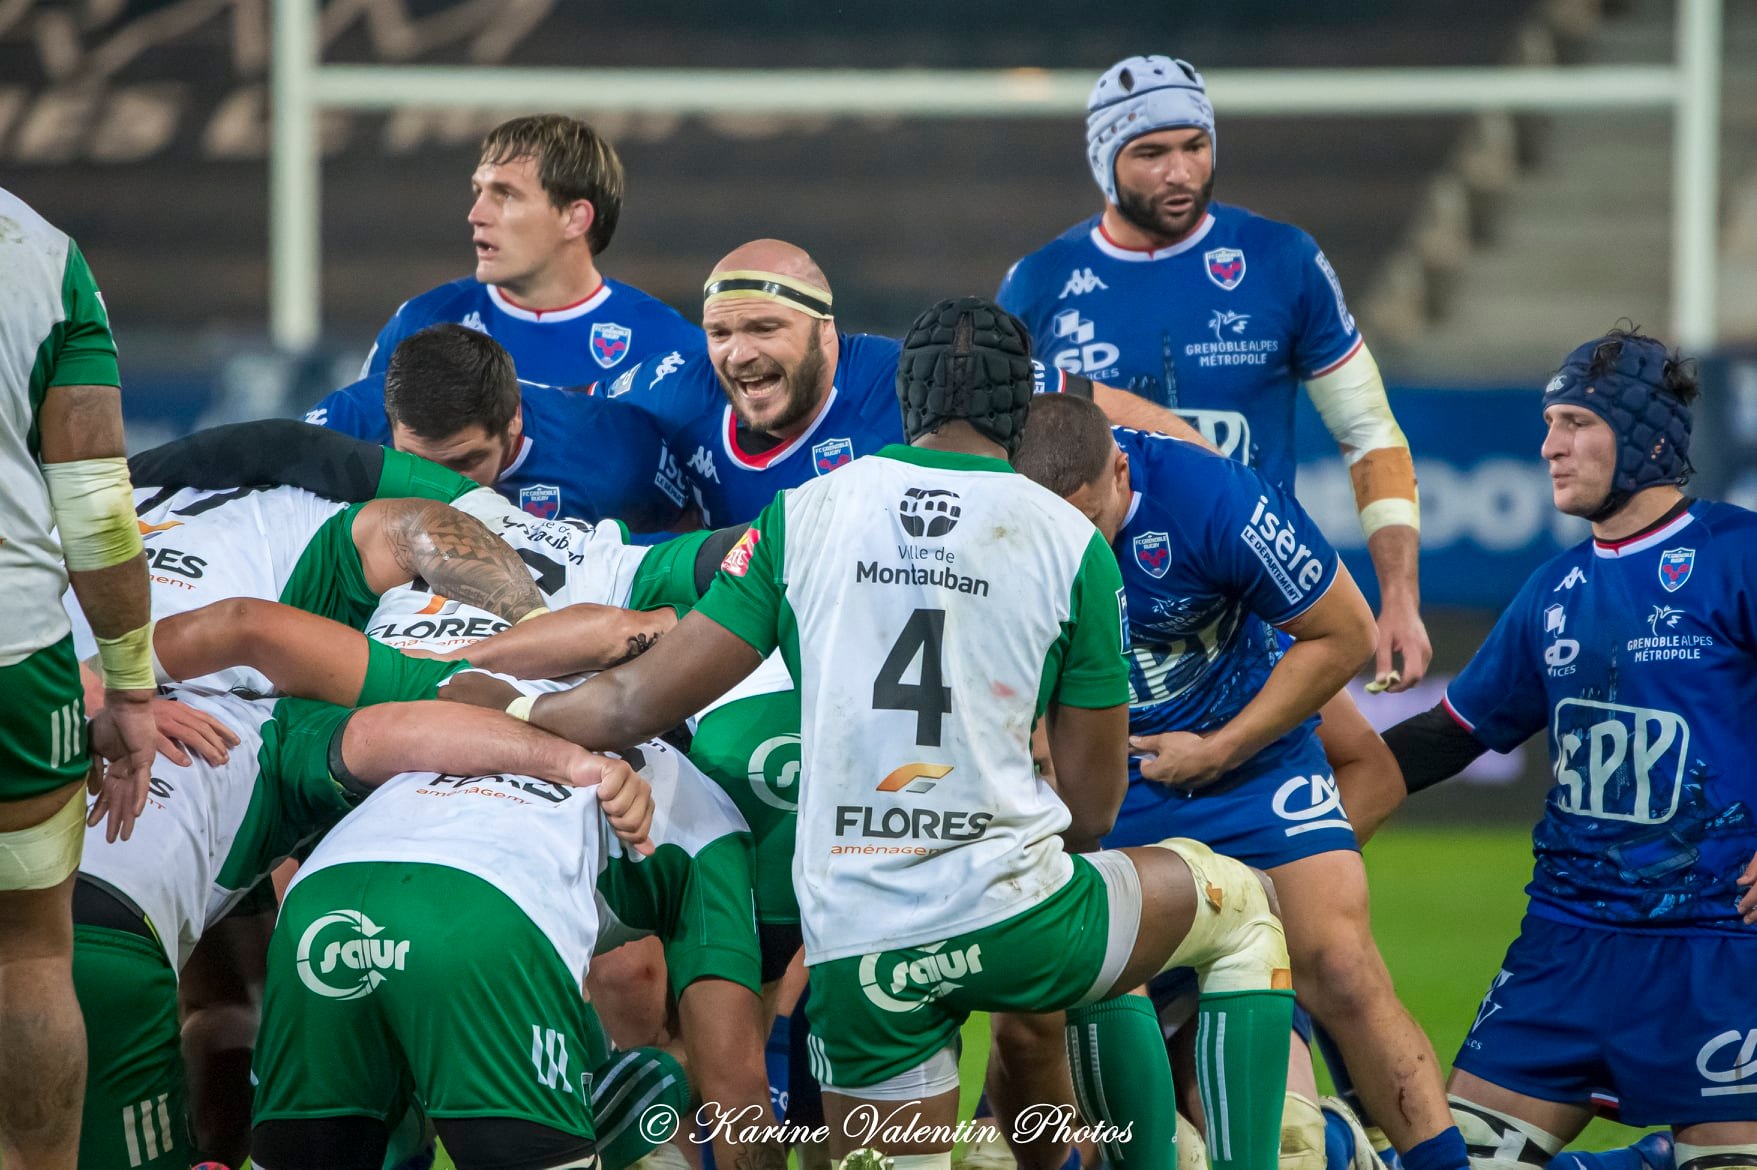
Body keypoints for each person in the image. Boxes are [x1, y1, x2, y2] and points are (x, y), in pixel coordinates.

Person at [510, 297, 1300, 1170]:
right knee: (1240, 914)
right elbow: (1093, 802)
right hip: (1020, 918)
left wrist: (503, 714)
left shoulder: (802, 514)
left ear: (907, 403)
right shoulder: (1071, 543)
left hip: (860, 946)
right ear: (1017, 406)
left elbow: (631, 705)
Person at [1010, 395, 1467, 1170]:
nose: (1074, 552)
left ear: (1120, 471)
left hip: (1246, 768)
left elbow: (1346, 633)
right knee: (1058, 1016)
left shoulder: (1213, 497)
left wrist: (1221, 748)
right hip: (1104, 788)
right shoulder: (999, 522)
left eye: (1088, 524)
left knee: (1342, 966)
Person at [72, 597, 650, 1169]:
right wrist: (570, 761)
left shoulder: (78, 693)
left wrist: (98, 694)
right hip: (102, 934)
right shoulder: (285, 730)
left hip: (35, 896)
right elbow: (389, 721)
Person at [1380, 329, 1754, 1170]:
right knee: (1459, 1163)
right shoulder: (1553, 590)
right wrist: (1307, 805)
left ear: (1645, 437)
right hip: (1563, 944)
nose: (1548, 446)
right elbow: (1451, 735)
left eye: (1575, 421)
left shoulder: (1739, 557)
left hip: (1719, 950)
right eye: (1549, 422)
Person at [997, 54, 1427, 697]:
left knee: (1340, 778)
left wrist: (1399, 596)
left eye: (1196, 145)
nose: (1180, 172)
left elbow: (1368, 430)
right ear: (1103, 161)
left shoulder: (1283, 259)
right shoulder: (1039, 282)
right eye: (1150, 152)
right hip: (1101, 615)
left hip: (1263, 610)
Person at [0, 187, 156, 1169]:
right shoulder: (40, 256)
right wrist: (131, 688)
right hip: (16, 666)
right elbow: (96, 513)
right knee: (28, 954)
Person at [360, 114, 701, 387]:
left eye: (505, 194)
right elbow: (354, 457)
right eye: (478, 191)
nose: (476, 215)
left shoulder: (669, 345)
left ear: (574, 217)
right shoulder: (421, 324)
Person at [308, 325, 691, 530]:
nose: (438, 487)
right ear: (389, 423)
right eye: (413, 462)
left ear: (514, 420)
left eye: (464, 462)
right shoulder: (349, 421)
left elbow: (687, 532)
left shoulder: (615, 456)